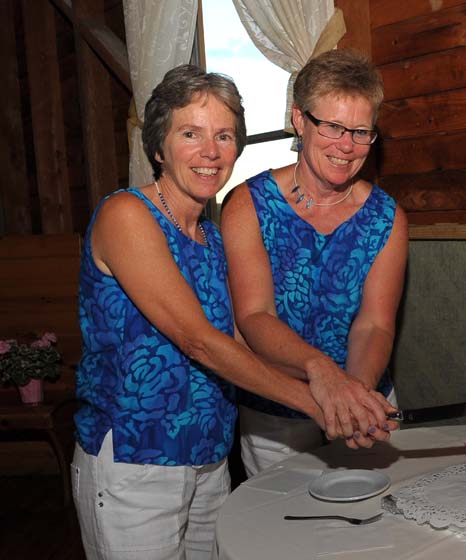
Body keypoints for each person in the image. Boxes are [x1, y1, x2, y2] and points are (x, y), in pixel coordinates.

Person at [71, 64, 397, 560]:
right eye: (191, 134)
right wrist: (318, 400)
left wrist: (347, 395)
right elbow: (198, 340)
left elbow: (244, 338)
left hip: (210, 459)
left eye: (223, 135)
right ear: (159, 145)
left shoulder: (211, 238)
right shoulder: (127, 215)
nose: (210, 151)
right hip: (139, 458)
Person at [221, 49, 409, 478]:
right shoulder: (248, 205)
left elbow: (375, 324)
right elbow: (254, 315)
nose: (347, 145)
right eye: (333, 127)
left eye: (361, 132)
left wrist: (353, 397)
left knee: (376, 533)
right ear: (299, 121)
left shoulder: (387, 217)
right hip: (275, 411)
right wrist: (323, 373)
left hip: (364, 395)